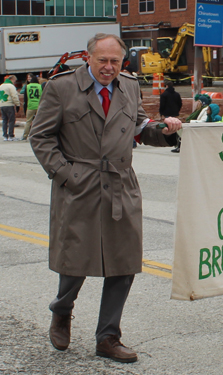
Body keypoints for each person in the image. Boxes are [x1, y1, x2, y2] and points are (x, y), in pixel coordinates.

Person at [29, 33, 182, 363]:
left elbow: (139, 126)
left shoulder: (128, 85)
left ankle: (108, 337)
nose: (109, 68)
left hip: (120, 184)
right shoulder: (62, 87)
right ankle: (62, 309)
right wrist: (66, 175)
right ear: (89, 57)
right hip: (79, 186)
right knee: (75, 261)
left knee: (123, 263)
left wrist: (164, 130)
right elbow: (40, 137)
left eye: (115, 61)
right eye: (103, 61)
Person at [22, 75, 43, 140]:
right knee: (39, 121)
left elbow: (25, 98)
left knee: (28, 121)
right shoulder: (40, 86)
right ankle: (39, 134)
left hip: (30, 106)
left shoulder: (27, 86)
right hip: (38, 105)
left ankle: (25, 136)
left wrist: (25, 108)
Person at [0, 74, 21, 141]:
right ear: (12, 79)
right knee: (11, 120)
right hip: (9, 105)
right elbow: (14, 96)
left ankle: (5, 136)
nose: (14, 82)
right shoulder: (11, 86)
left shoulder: (1, 86)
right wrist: (17, 104)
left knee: (4, 120)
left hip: (2, 104)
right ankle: (11, 135)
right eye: (14, 80)